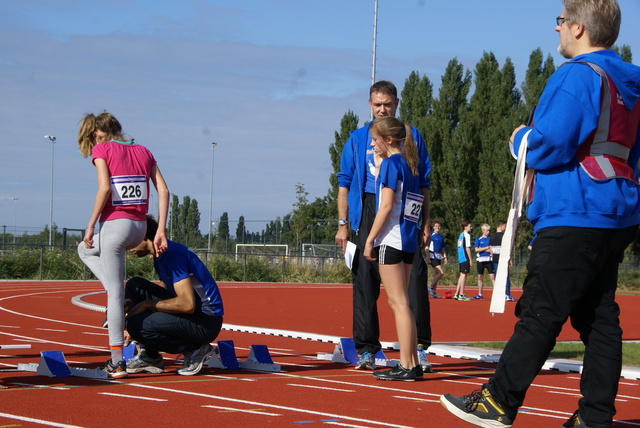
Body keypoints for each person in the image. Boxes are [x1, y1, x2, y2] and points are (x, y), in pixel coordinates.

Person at [440, 1, 640, 426]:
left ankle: (499, 400)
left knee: (540, 311)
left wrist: (520, 138)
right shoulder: (629, 83)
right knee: (599, 317)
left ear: (580, 29)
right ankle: (594, 416)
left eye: (561, 22)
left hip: (573, 211)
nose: (557, 30)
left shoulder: (576, 75)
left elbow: (551, 144)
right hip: (617, 211)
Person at [335, 80, 433, 372]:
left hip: (400, 211)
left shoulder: (410, 137)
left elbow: (422, 182)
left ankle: (417, 349)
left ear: (396, 104)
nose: (381, 109)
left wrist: (424, 221)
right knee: (365, 279)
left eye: (387, 105)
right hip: (368, 207)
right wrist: (344, 224)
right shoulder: (357, 138)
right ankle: (367, 348)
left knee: (411, 284)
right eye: (377, 105)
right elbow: (344, 183)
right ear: (369, 105)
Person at [76, 112, 169, 378]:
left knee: (114, 297)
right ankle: (119, 290)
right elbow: (164, 191)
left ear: (96, 133)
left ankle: (117, 361)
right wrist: (160, 229)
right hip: (139, 226)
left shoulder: (102, 149)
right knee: (86, 251)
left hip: (115, 225)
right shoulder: (144, 150)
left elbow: (105, 189)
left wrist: (91, 225)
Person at [363, 116, 425, 381]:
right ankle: (412, 362)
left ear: (388, 140)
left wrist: (369, 239)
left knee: (397, 303)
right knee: (405, 303)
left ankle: (407, 365)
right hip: (409, 240)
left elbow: (386, 206)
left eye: (375, 140)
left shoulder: (391, 164)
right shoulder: (411, 165)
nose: (372, 145)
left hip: (390, 240)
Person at [124, 215, 224, 376]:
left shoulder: (172, 255)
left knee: (138, 324)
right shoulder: (161, 254)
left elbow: (187, 305)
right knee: (135, 285)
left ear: (145, 237)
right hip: (195, 316)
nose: (128, 247)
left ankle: (196, 349)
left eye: (131, 241)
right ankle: (149, 356)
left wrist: (145, 306)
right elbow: (168, 290)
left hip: (206, 323)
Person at [490, 220, 516, 302]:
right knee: (506, 276)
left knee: (497, 277)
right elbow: (507, 248)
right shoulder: (504, 236)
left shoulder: (492, 236)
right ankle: (507, 295)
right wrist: (510, 259)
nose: (505, 228)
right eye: (504, 226)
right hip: (503, 258)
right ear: (501, 226)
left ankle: (499, 295)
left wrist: (492, 254)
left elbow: (491, 248)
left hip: (495, 259)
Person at [472, 224, 494, 300]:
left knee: (492, 276)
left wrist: (483, 249)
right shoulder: (478, 239)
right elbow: (476, 250)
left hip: (488, 260)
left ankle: (495, 293)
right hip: (480, 260)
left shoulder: (490, 239)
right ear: (483, 231)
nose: (488, 232)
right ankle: (480, 293)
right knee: (480, 276)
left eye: (489, 230)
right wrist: (486, 248)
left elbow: (491, 250)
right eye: (487, 230)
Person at [427, 220, 448, 298]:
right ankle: (430, 288)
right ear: (433, 227)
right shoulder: (431, 235)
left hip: (439, 256)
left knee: (436, 274)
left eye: (439, 226)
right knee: (441, 273)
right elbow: (427, 247)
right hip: (432, 256)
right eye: (436, 226)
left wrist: (445, 257)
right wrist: (427, 257)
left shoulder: (441, 236)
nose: (437, 227)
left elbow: (443, 248)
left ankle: (434, 293)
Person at [454, 221, 473, 301]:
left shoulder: (460, 235)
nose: (471, 228)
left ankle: (457, 293)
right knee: (464, 275)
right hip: (465, 257)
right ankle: (461, 294)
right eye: (470, 226)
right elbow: (467, 248)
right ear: (465, 227)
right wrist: (471, 259)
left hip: (461, 257)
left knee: (462, 275)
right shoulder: (467, 235)